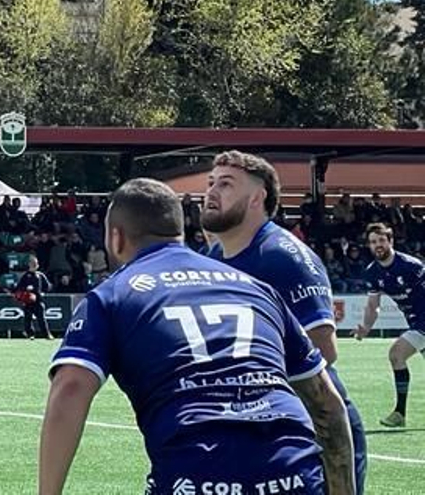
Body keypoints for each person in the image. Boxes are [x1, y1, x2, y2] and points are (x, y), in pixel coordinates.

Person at [39, 178, 356, 495]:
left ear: (116, 237)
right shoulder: (257, 288)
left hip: (198, 474)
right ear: (180, 231)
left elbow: (70, 389)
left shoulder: (111, 295)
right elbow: (327, 404)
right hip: (294, 471)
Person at [203, 151, 368, 488]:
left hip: (308, 430)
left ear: (257, 198)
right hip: (250, 428)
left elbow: (324, 349)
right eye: (210, 183)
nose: (211, 191)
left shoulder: (285, 257)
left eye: (226, 184)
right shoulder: (215, 255)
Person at [352, 221, 425, 427]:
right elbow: (373, 305)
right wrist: (365, 328)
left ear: (390, 241)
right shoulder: (372, 272)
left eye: (382, 240)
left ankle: (399, 413)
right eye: (373, 242)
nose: (378, 245)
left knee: (396, 354)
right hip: (414, 321)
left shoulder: (411, 266)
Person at [15, 254, 52, 340]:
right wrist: (26, 290)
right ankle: (30, 334)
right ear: (29, 265)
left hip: (38, 300)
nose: (34, 266)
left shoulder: (40, 275)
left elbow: (48, 286)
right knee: (28, 319)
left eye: (36, 264)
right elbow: (19, 288)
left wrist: (43, 292)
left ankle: (47, 334)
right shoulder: (25, 276)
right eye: (32, 264)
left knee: (42, 319)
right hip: (28, 301)